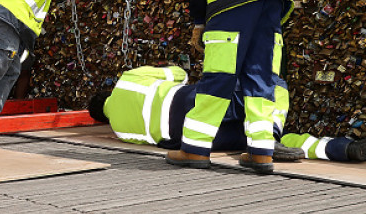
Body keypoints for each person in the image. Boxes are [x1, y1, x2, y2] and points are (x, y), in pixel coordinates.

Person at [165, 0, 294, 174]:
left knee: (220, 75)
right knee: (261, 76)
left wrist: (199, 21)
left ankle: (194, 148)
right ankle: (261, 153)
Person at [88, 66, 366, 163]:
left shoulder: (120, 131)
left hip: (192, 138)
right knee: (273, 84)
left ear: (103, 117)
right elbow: (179, 74)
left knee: (252, 138)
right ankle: (271, 136)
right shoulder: (126, 79)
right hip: (191, 104)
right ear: (107, 92)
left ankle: (343, 149)